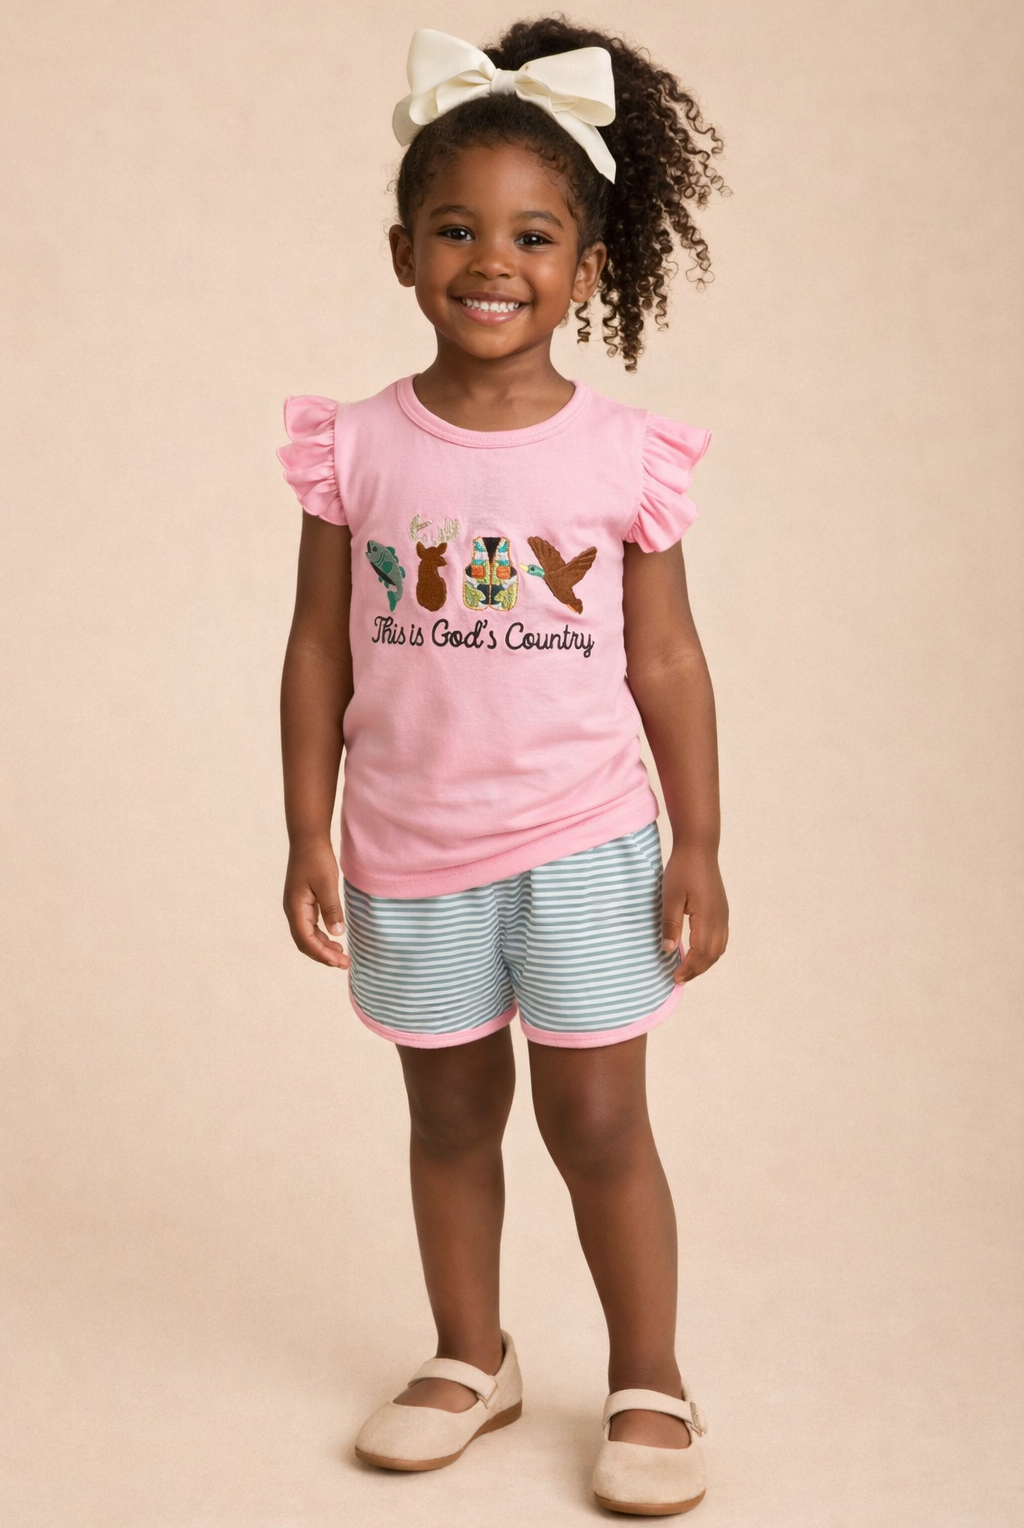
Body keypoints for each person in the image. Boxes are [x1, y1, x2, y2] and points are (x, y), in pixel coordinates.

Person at [276, 17, 730, 1517]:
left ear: (587, 270)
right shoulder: (352, 449)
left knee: (597, 1122)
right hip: (410, 843)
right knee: (450, 1114)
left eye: (535, 235)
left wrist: (700, 844)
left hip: (588, 839)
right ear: (405, 250)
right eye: (457, 228)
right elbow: (320, 656)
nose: (494, 259)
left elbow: (665, 659)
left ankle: (650, 1376)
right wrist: (307, 832)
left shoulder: (621, 457)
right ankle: (472, 1353)